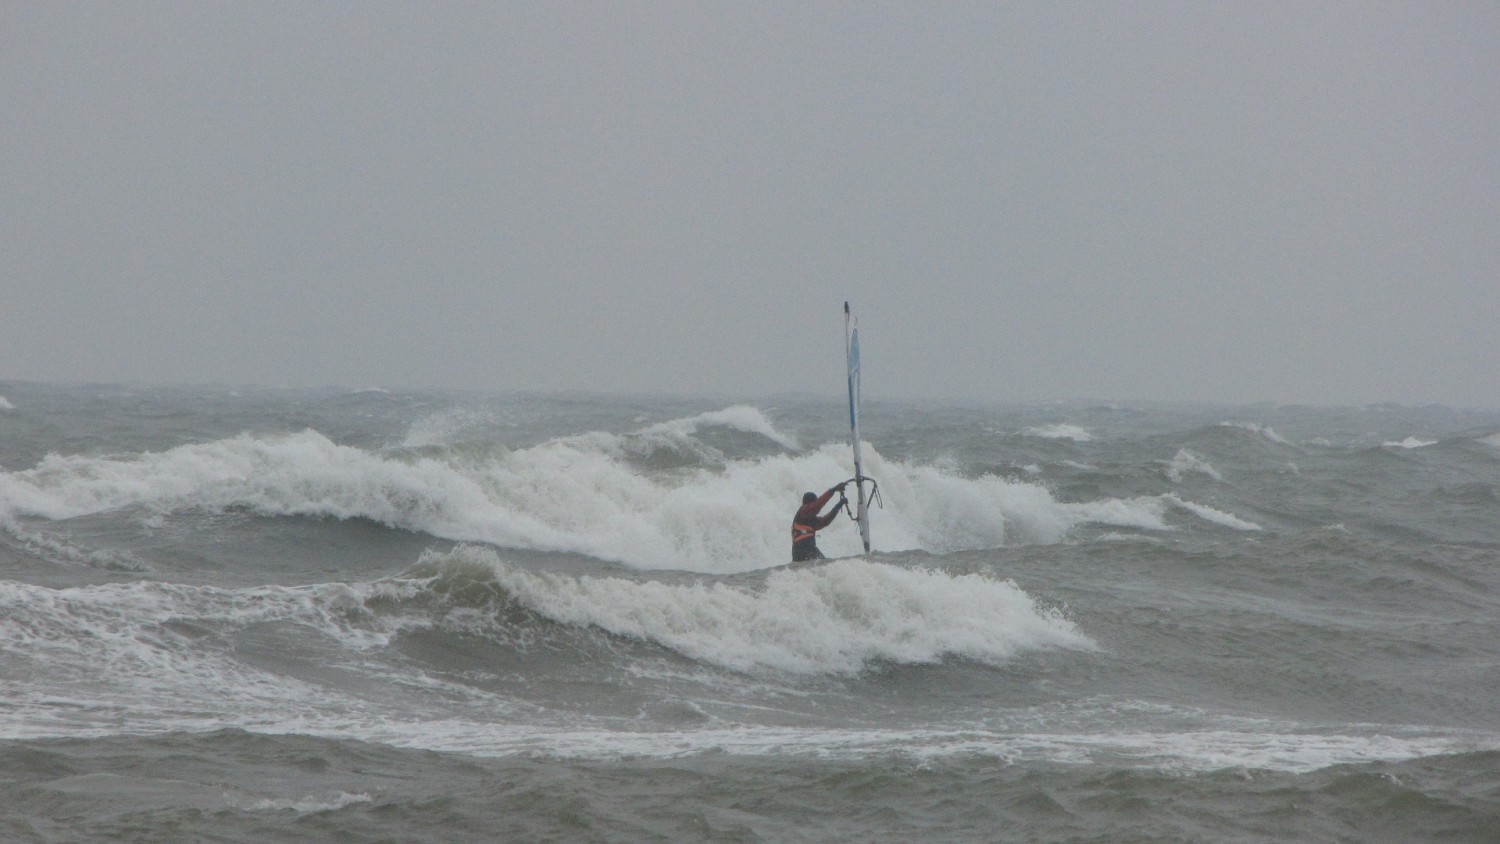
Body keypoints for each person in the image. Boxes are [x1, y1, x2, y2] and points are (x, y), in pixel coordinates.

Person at [791, 482, 847, 562]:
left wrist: (839, 505)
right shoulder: (804, 511)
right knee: (825, 564)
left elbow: (825, 521)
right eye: (815, 502)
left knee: (825, 564)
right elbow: (817, 505)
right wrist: (834, 490)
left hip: (808, 550)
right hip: (802, 550)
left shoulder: (810, 519)